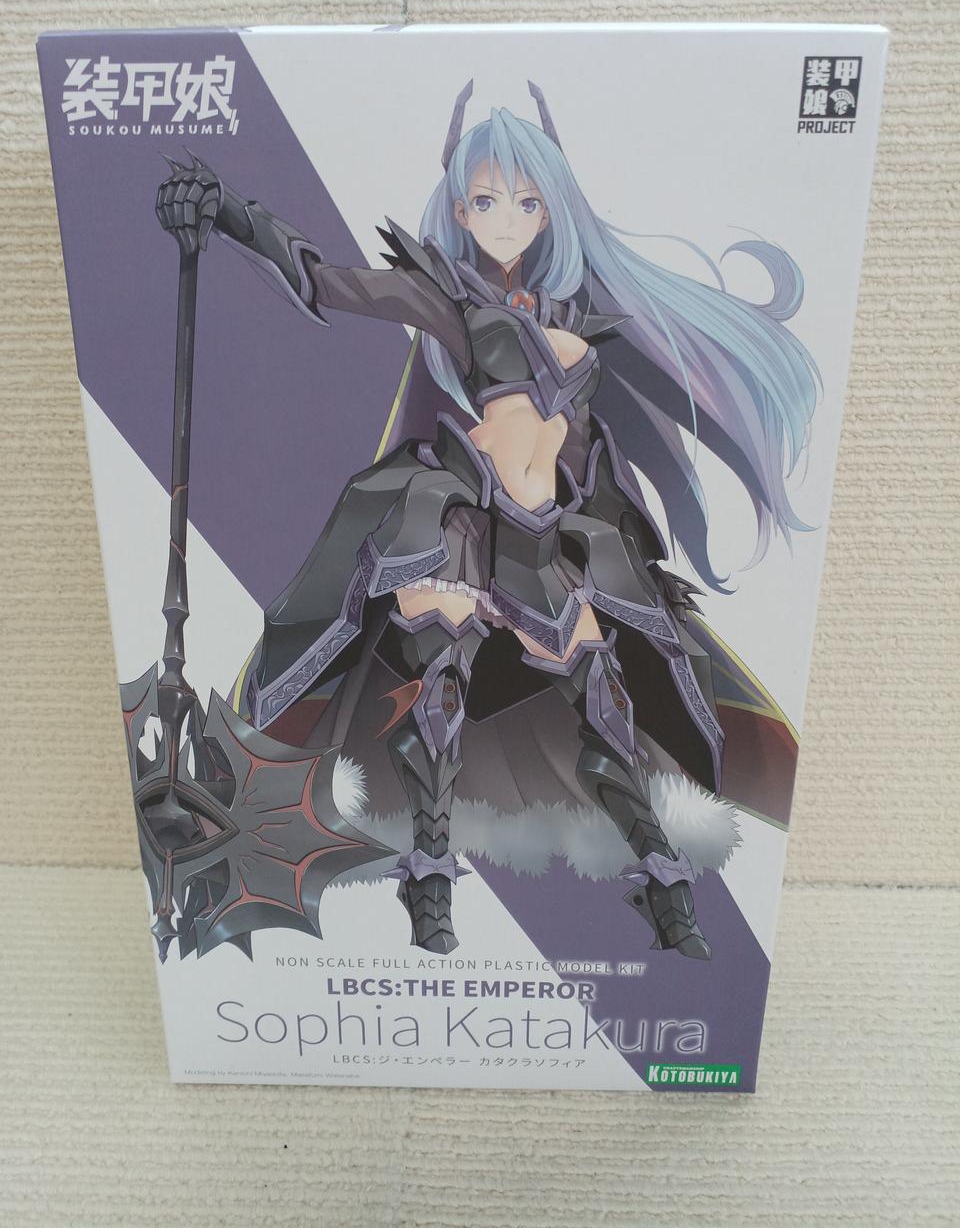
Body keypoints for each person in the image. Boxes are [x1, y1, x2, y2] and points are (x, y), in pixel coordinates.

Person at [155, 81, 818, 960]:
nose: (507, 218)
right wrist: (234, 213)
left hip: (551, 537)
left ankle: (665, 888)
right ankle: (429, 886)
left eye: (527, 201)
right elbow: (329, 281)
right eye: (486, 200)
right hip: (464, 525)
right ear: (460, 208)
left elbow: (586, 440)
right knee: (438, 693)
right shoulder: (451, 302)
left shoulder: (582, 316)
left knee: (605, 707)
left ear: (553, 210)